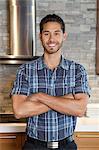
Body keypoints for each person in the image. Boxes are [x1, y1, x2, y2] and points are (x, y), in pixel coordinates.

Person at [11, 14, 90, 150]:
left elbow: (80, 109)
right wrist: (66, 100)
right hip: (34, 146)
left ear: (64, 36)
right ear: (40, 36)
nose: (51, 39)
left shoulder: (78, 70)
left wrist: (39, 96)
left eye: (56, 33)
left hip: (66, 146)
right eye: (46, 33)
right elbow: (19, 111)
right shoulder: (25, 70)